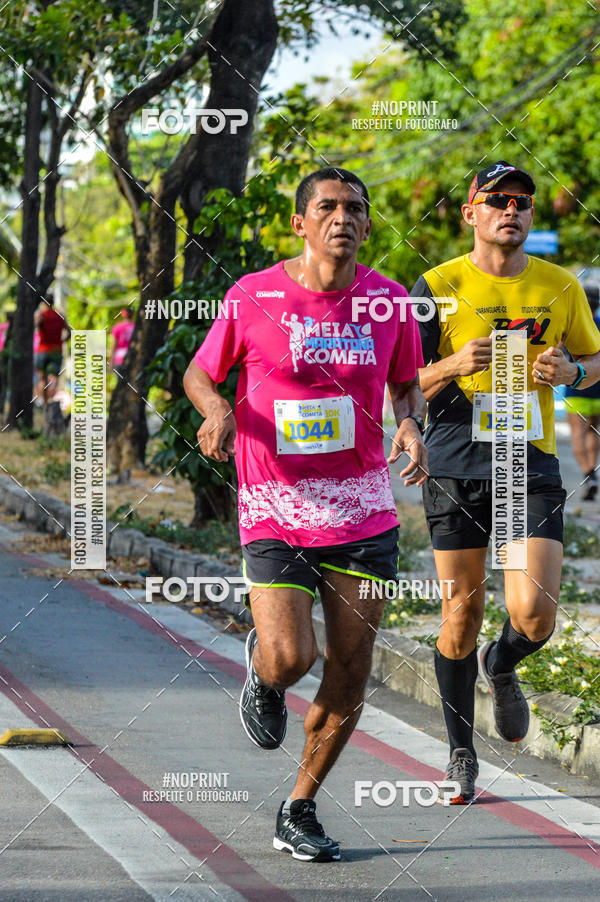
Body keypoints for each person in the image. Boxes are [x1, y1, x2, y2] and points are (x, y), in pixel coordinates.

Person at [184, 167, 427, 861]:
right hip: (276, 505)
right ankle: (264, 672)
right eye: (327, 207)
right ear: (300, 222)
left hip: (364, 511)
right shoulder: (252, 295)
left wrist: (410, 427)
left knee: (352, 667)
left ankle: (300, 806)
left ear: (368, 223)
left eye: (355, 207)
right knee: (295, 656)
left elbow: (407, 387)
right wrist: (218, 408)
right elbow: (201, 371)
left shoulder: (390, 303)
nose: (342, 218)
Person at [412, 161, 600, 804]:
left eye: (522, 201)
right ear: (471, 213)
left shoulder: (559, 284)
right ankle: (461, 752)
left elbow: (595, 360)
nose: (511, 210)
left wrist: (572, 371)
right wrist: (451, 365)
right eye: (496, 200)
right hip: (457, 462)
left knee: (534, 614)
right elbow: (400, 380)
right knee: (458, 615)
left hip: (528, 462)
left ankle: (504, 663)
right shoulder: (436, 285)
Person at [564, 284, 600, 501]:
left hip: (577, 387)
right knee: (593, 432)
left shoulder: (574, 325)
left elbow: (556, 349)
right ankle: (594, 472)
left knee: (578, 433)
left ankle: (588, 474)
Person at [34, 293, 71, 406]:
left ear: (44, 303)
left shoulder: (41, 315)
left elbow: (36, 326)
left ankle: (45, 403)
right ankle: (52, 399)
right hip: (56, 349)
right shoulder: (60, 316)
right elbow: (69, 332)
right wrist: (62, 341)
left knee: (42, 378)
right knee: (55, 376)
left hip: (43, 350)